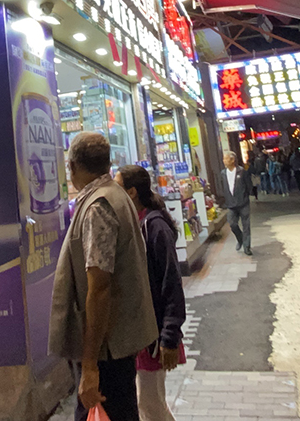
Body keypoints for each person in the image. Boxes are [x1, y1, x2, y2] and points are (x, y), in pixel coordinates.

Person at [49, 133, 159, 421]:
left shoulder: (98, 206)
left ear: (72, 166)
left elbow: (99, 288)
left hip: (107, 352)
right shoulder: (114, 194)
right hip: (114, 346)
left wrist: (89, 367)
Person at [115, 165, 185, 421]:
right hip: (143, 333)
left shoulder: (154, 227)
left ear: (132, 192)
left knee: (150, 404)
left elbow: (172, 283)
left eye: (118, 185)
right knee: (151, 403)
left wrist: (169, 336)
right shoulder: (139, 223)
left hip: (154, 336)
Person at [217, 151, 253, 256]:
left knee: (246, 225)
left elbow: (249, 186)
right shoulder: (223, 173)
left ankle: (247, 246)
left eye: (226, 158)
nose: (224, 161)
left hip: (243, 202)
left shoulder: (242, 171)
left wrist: (245, 196)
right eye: (223, 159)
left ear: (233, 160)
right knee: (232, 224)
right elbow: (222, 186)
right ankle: (240, 238)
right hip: (231, 204)